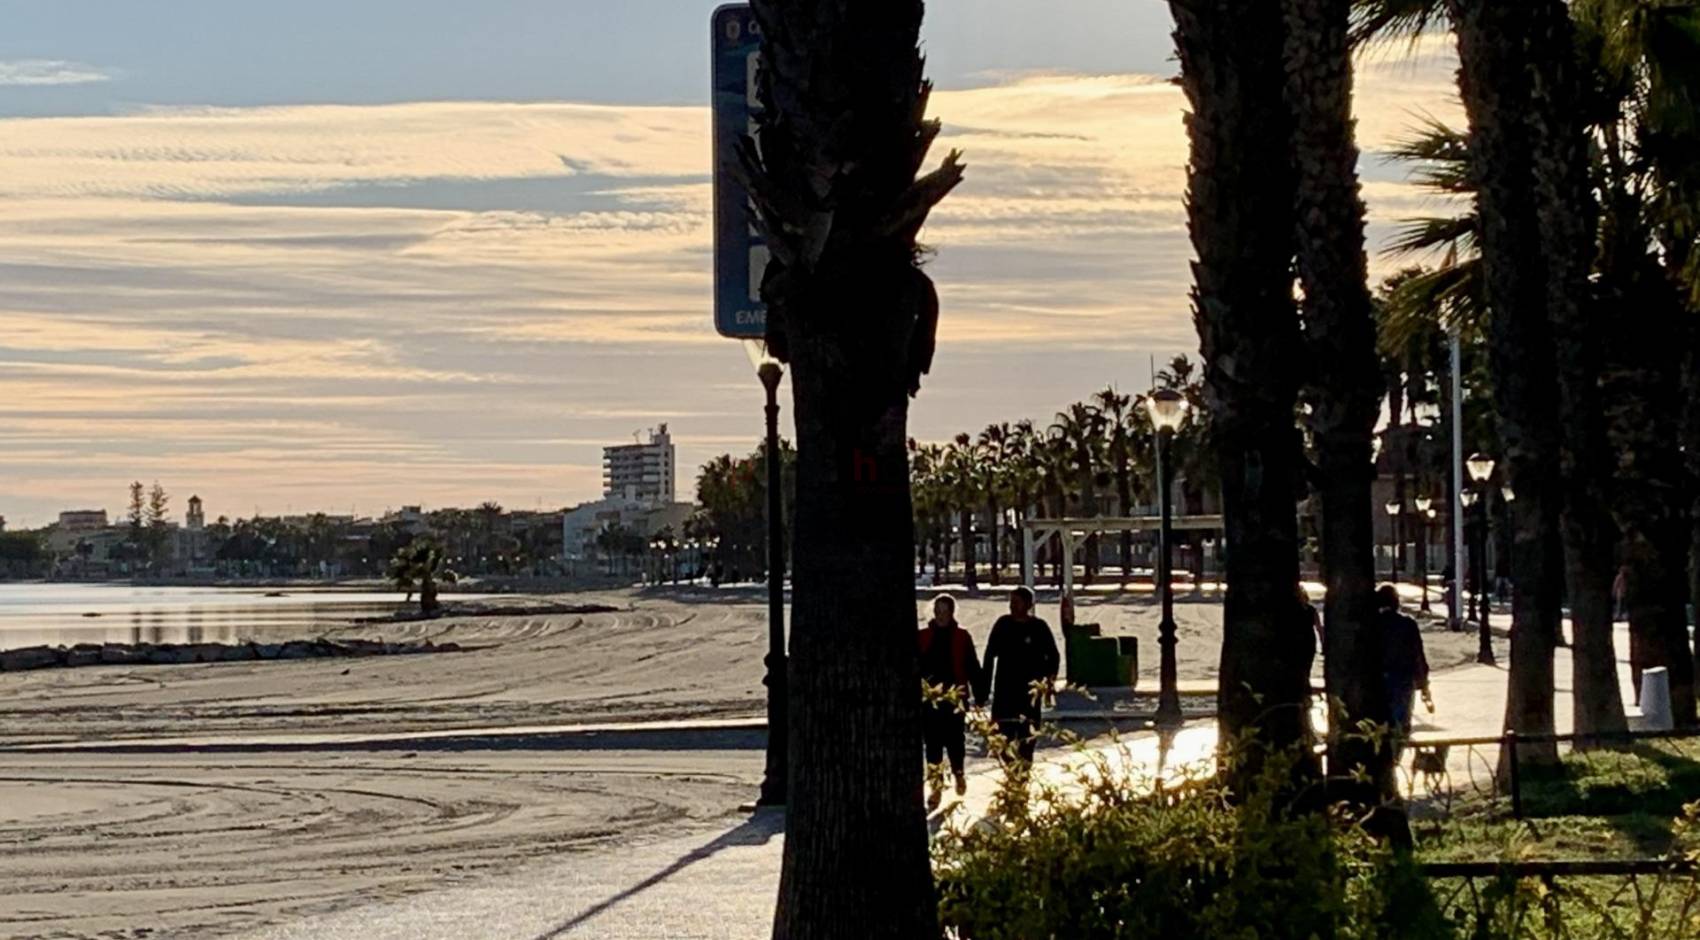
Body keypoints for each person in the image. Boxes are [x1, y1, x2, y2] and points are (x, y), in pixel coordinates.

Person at [980, 586, 1060, 767]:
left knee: (1027, 739)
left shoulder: (1039, 628)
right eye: (1011, 602)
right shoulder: (1003, 625)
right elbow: (989, 655)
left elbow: (1053, 656)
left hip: (1029, 695)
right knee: (1002, 738)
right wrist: (983, 688)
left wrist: (1048, 683)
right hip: (1005, 692)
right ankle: (1010, 771)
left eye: (1017, 602)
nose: (1012, 606)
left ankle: (1023, 775)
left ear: (1028, 604)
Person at [917, 593, 983, 809]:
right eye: (938, 612)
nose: (941, 616)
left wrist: (980, 695)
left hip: (956, 697)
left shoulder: (963, 637)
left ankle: (959, 774)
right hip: (930, 700)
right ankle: (936, 787)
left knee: (956, 742)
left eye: (945, 612)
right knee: (933, 745)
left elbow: (973, 667)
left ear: (952, 613)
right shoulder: (922, 637)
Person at [1377, 584, 1431, 746]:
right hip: (1403, 679)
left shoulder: (1372, 624)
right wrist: (1424, 684)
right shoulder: (1408, 624)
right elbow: (1417, 655)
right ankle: (1395, 754)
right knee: (1401, 722)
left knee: (1380, 722)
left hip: (1378, 679)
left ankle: (1384, 755)